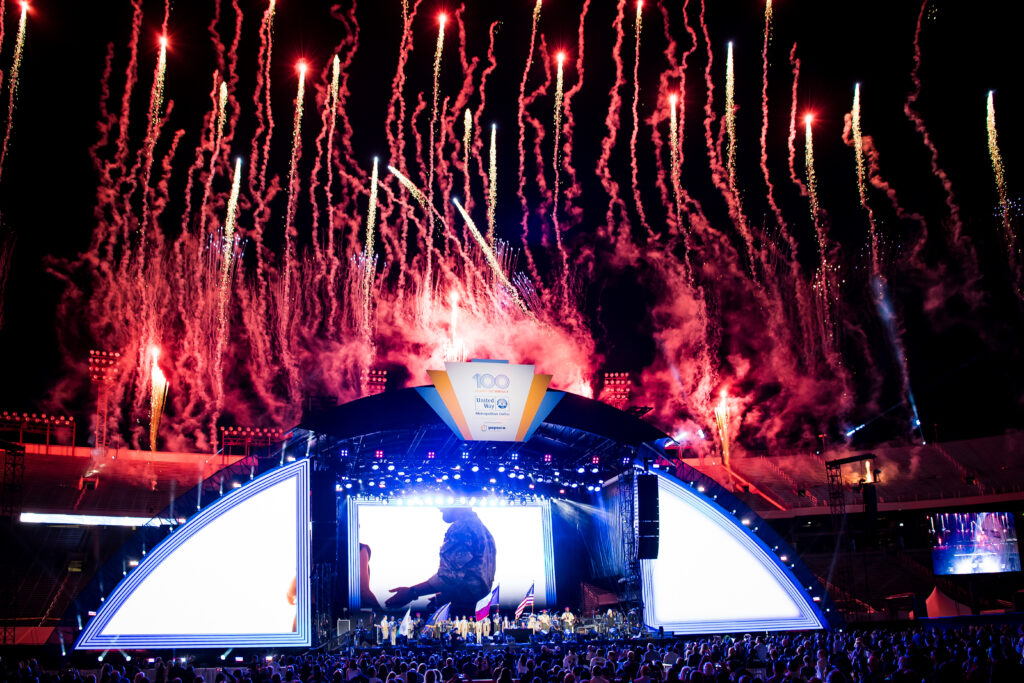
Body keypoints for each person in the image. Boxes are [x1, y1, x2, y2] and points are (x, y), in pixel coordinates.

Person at [386, 507, 496, 616]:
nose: (439, 508)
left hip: (460, 613)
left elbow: (448, 577)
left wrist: (411, 592)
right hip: (479, 611)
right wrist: (445, 596)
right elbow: (471, 578)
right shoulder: (483, 530)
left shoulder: (462, 529)